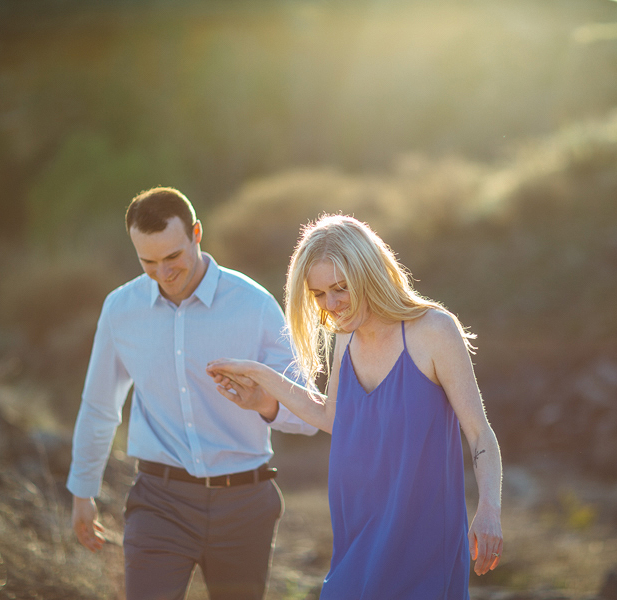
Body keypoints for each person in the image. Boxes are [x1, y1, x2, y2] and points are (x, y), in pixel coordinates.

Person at [206, 214, 504, 599]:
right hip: (356, 535)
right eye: (318, 295)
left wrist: (490, 511)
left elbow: (480, 433)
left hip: (422, 540)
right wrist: (262, 379)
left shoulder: (434, 331)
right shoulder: (345, 338)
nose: (330, 305)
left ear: (369, 273)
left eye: (340, 288)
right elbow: (333, 418)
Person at [66, 187, 317, 600]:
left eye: (172, 257)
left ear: (197, 233)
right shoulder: (120, 310)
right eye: (148, 261)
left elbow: (309, 411)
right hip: (158, 503)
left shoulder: (254, 305)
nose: (163, 273)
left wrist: (265, 402)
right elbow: (99, 406)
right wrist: (82, 491)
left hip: (245, 506)